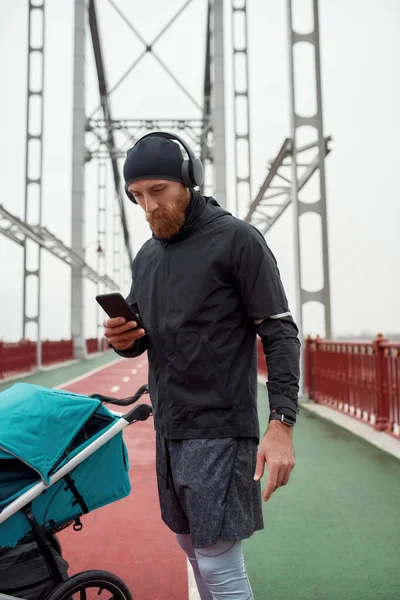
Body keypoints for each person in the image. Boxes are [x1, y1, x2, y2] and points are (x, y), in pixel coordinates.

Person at [103, 132, 300, 600]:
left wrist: (281, 425)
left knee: (216, 557)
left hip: (220, 425)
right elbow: (144, 338)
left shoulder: (237, 240)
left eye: (158, 191)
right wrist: (123, 341)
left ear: (188, 182)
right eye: (137, 196)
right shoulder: (147, 256)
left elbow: (279, 332)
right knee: (189, 544)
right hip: (171, 425)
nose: (148, 206)